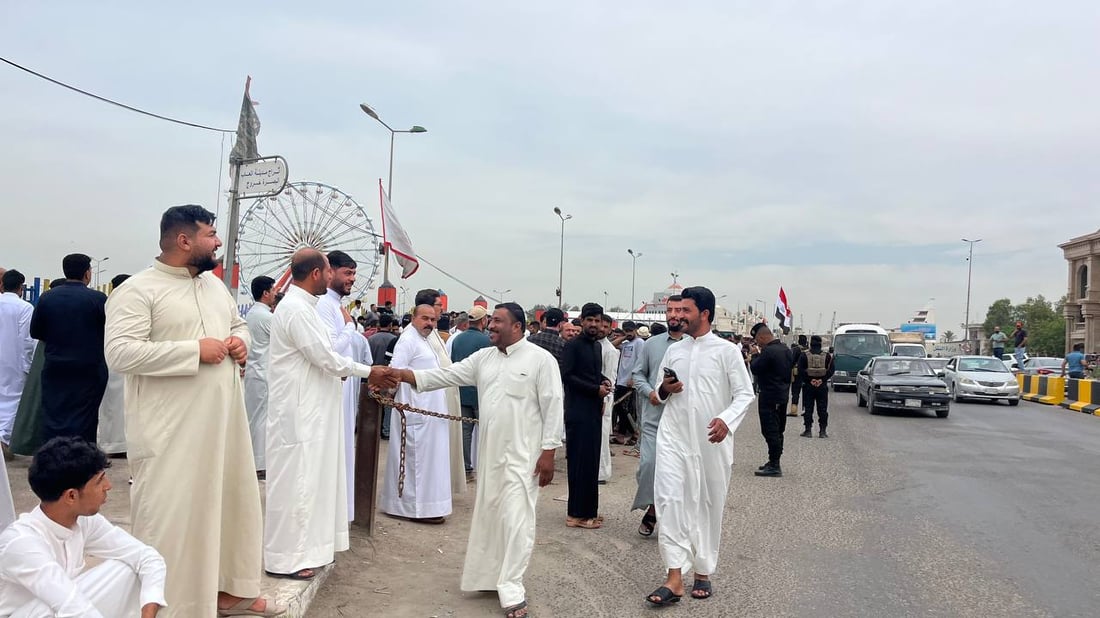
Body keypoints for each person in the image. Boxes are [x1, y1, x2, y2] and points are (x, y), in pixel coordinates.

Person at [104, 204, 283, 617]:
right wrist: (193, 351)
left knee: (231, 506)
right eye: (211, 234)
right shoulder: (139, 290)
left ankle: (229, 592)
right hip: (170, 432)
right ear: (184, 240)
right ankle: (173, 606)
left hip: (223, 426)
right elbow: (119, 353)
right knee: (173, 519)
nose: (218, 242)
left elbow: (235, 326)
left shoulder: (214, 287)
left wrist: (241, 342)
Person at [386, 302, 562, 618]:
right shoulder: (484, 358)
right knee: (490, 516)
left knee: (517, 520)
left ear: (517, 327)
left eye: (497, 321)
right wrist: (400, 373)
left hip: (525, 457)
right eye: (491, 321)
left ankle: (511, 585)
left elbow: (553, 406)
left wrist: (549, 452)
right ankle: (488, 577)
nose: (490, 326)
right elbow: (444, 375)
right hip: (490, 456)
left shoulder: (541, 361)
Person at [264, 250, 388, 580]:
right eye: (330, 270)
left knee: (309, 481)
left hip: (312, 409)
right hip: (298, 411)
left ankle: (305, 551)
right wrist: (368, 371)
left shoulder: (306, 307)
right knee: (297, 483)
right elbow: (327, 358)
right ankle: (285, 559)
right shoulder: (296, 309)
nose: (333, 277)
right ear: (317, 273)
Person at [646, 286, 754, 605]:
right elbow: (656, 395)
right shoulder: (674, 350)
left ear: (703, 314)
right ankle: (674, 576)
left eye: (684, 311)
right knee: (669, 500)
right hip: (673, 437)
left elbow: (745, 394)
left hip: (710, 441)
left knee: (707, 503)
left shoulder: (727, 351)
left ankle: (703, 571)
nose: (676, 316)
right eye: (673, 311)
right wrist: (665, 389)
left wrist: (727, 420)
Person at [0, 437, 167, 617]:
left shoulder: (83, 521)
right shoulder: (22, 543)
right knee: (61, 604)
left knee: (128, 566)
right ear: (71, 496)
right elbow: (73, 607)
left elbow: (148, 558)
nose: (108, 486)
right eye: (100, 480)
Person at [380, 304, 454, 523]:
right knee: (415, 461)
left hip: (430, 412)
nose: (429, 323)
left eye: (432, 319)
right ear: (413, 318)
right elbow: (394, 371)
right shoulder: (408, 340)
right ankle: (415, 508)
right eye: (425, 318)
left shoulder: (424, 340)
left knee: (430, 460)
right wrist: (391, 397)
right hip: (414, 411)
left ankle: (428, 505)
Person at [315, 251, 373, 521]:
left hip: (344, 388)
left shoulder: (337, 305)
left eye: (353, 273)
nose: (352, 279)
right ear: (330, 272)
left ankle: (340, 513)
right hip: (331, 389)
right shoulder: (324, 304)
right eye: (347, 273)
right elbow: (332, 349)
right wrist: (350, 327)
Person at [29, 253, 108, 444]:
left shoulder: (47, 298)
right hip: (88, 369)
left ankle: (54, 457)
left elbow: (35, 332)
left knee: (53, 415)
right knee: (86, 417)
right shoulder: (98, 299)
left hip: (55, 367)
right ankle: (82, 460)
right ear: (87, 273)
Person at [630, 294, 684, 537]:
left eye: (679, 310)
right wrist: (649, 392)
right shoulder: (652, 344)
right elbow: (638, 374)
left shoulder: (695, 345)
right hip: (653, 418)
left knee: (675, 472)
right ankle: (652, 505)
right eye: (669, 309)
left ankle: (655, 511)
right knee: (649, 465)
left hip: (683, 421)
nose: (673, 314)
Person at [413, 289, 466, 496]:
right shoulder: (418, 336)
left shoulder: (433, 333)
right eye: (438, 306)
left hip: (445, 395)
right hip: (430, 401)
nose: (441, 311)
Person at [561, 303, 609, 529]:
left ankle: (589, 511)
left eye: (597, 320)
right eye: (589, 319)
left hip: (593, 409)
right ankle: (575, 514)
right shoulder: (573, 346)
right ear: (581, 320)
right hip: (578, 411)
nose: (593, 324)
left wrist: (603, 381)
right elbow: (568, 376)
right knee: (580, 461)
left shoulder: (596, 347)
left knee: (591, 461)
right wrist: (594, 390)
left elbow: (590, 373)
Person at [449, 306, 492, 482]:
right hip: (481, 393)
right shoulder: (487, 341)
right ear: (483, 321)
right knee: (487, 431)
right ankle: (487, 469)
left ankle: (466, 469)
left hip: (462, 390)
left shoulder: (458, 339)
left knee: (465, 432)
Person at [749, 323, 792, 478]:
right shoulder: (786, 349)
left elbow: (755, 368)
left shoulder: (768, 352)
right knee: (778, 429)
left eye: (757, 339)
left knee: (770, 430)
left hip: (769, 396)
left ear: (761, 336)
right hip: (782, 394)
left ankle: (774, 464)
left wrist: (754, 355)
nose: (757, 343)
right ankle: (773, 460)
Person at [244, 276, 276, 476]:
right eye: (273, 290)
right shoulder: (267, 318)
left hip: (254, 370)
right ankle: (260, 463)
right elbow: (285, 340)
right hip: (264, 372)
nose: (275, 293)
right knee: (262, 418)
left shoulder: (252, 314)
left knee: (254, 416)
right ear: (265, 293)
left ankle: (253, 460)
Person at [0, 269, 34, 452]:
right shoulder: (25, 308)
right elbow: (27, 340)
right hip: (14, 361)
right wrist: (28, 365)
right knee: (14, 401)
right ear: (21, 287)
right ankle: (4, 438)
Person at [97, 274, 131, 456]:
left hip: (109, 358)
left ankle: (111, 443)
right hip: (123, 358)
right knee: (123, 403)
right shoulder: (128, 301)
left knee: (110, 405)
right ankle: (120, 444)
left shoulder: (109, 302)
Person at [611, 321, 644, 443]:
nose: (629, 333)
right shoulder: (626, 344)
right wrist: (624, 337)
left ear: (635, 330)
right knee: (620, 408)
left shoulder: (639, 343)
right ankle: (622, 434)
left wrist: (633, 377)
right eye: (626, 330)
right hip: (620, 380)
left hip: (629, 381)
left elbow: (640, 361)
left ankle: (634, 433)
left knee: (624, 408)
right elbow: (612, 345)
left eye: (631, 331)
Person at [368, 314, 400, 440]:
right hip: (388, 377)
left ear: (378, 324)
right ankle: (386, 430)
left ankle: (372, 430)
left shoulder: (371, 339)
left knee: (372, 405)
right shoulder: (395, 339)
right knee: (388, 407)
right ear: (391, 325)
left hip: (373, 376)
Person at [597, 314, 620, 482]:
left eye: (606, 327)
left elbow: (610, 378)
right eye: (600, 325)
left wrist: (605, 400)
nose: (602, 329)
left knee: (603, 436)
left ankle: (602, 472)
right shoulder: (592, 345)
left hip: (604, 398)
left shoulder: (610, 351)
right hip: (592, 396)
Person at [798, 335, 834, 438]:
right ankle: (822, 431)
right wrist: (821, 380)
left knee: (808, 408)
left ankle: (808, 431)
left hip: (808, 386)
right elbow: (831, 370)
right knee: (822, 409)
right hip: (822, 387)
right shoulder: (827, 356)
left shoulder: (804, 355)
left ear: (810, 344)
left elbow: (800, 370)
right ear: (821, 344)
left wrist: (810, 380)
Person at [527, 307, 567, 374]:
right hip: (554, 380)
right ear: (560, 324)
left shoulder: (530, 340)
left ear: (546, 321)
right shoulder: (564, 345)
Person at [789, 334, 808, 417]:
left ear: (799, 341)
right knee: (806, 393)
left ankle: (794, 410)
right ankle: (805, 410)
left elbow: (792, 361)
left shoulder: (796, 349)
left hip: (797, 373)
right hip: (807, 374)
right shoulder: (808, 350)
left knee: (795, 392)